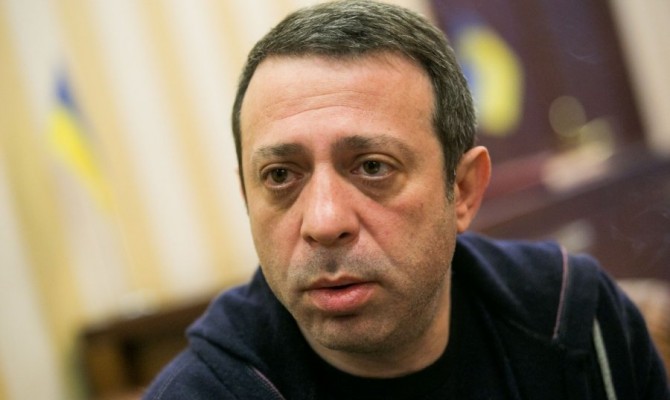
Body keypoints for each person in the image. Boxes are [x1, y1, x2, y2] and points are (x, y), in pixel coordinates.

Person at [144, 1, 669, 398]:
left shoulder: (578, 321)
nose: (324, 221)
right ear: (246, 196)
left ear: (463, 190)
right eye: (280, 175)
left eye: (373, 167)